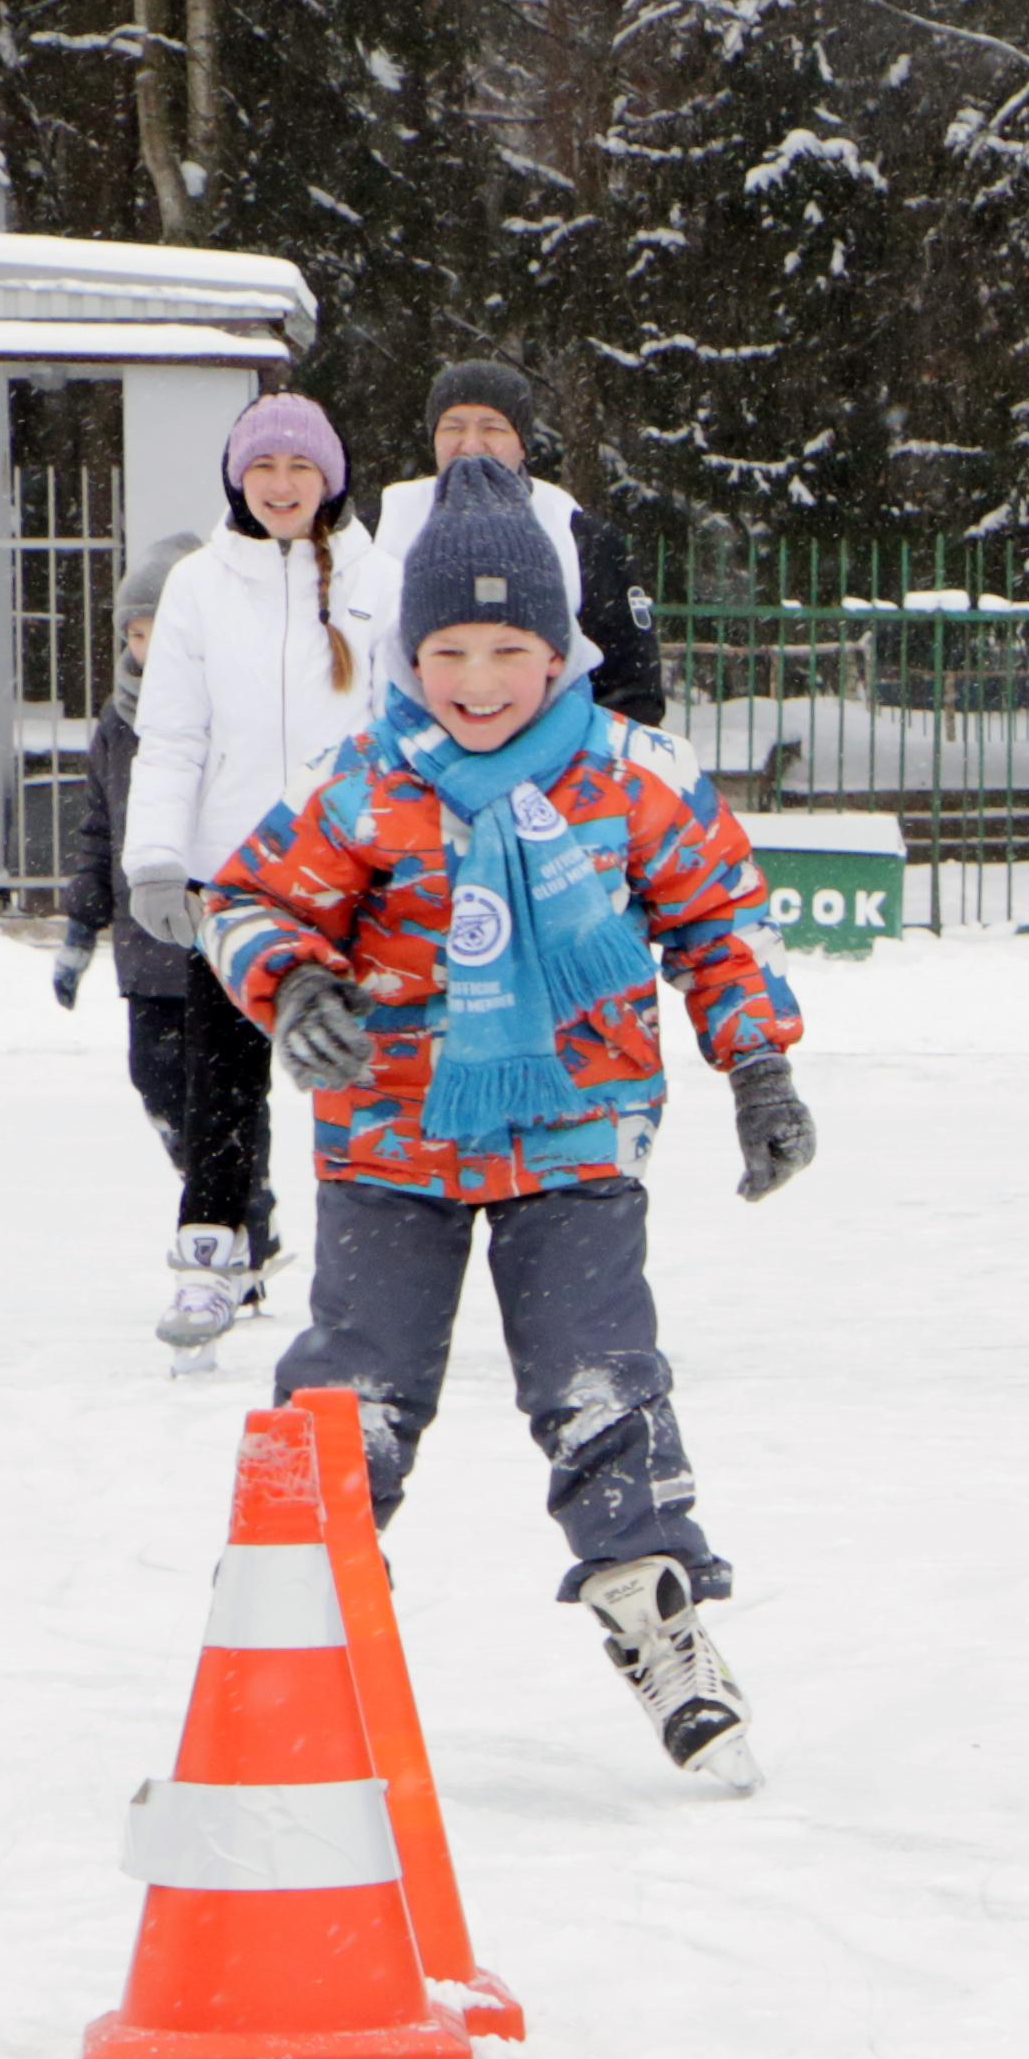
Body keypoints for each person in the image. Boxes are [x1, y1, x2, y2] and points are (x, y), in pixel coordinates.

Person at [204, 456, 815, 1787]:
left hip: (577, 1139)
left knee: (601, 1378)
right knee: (352, 1389)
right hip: (390, 1147)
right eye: (448, 652)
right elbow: (246, 900)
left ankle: (658, 1619)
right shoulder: (360, 781)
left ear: (561, 653)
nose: (478, 682)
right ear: (407, 657)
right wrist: (293, 981)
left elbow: (721, 920)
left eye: (509, 650)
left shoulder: (631, 777)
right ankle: (287, 1628)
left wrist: (758, 1065)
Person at [118, 394, 394, 1353]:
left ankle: (373, 1268)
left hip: (357, 877)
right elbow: (171, 736)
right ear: (239, 477)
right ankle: (212, 1258)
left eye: (302, 468)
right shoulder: (198, 584)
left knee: (364, 1079)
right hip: (232, 879)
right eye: (265, 468)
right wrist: (156, 860)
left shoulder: (380, 580)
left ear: (333, 478)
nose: (283, 486)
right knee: (220, 1081)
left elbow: (407, 736)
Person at [57, 533, 265, 1359]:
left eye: (161, 627)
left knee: (226, 1085)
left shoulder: (223, 707)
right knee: (157, 1077)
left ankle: (240, 1208)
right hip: (146, 944)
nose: (148, 645)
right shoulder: (115, 724)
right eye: (136, 630)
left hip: (215, 931)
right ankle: (217, 1182)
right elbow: (98, 827)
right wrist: (81, 923)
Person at [359, 359, 669, 731]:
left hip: (550, 773)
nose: (471, 445)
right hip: (404, 766)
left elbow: (632, 690)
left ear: (523, 443)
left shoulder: (582, 537)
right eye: (453, 427)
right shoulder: (380, 523)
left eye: (493, 428)